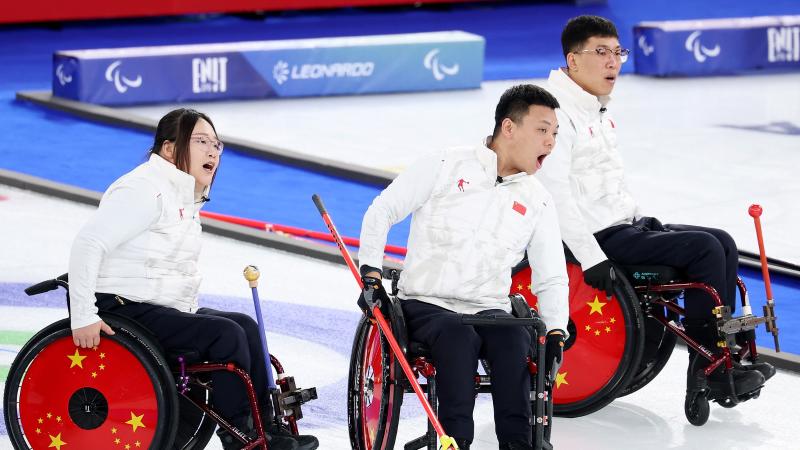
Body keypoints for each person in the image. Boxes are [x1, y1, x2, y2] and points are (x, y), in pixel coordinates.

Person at [535, 15, 774, 397]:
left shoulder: (595, 108)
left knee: (723, 241)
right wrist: (591, 257)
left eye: (618, 52)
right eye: (601, 52)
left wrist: (642, 222)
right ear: (573, 60)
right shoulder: (553, 114)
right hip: (595, 237)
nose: (613, 62)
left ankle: (724, 352)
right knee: (704, 249)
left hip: (624, 225)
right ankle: (710, 366)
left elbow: (607, 185)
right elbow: (555, 196)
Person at [68, 108, 319, 450]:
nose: (212, 151)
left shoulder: (184, 195)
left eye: (216, 144)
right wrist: (83, 315)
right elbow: (88, 243)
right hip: (123, 306)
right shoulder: (144, 189)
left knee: (244, 325)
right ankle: (241, 437)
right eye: (201, 141)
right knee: (225, 334)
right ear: (170, 149)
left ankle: (269, 430)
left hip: (158, 306)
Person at [358, 84, 570, 450]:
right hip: (427, 303)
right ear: (509, 128)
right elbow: (383, 210)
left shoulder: (538, 200)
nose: (550, 142)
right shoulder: (445, 164)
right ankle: (456, 442)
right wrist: (371, 273)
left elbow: (551, 275)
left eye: (555, 133)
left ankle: (518, 444)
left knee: (515, 339)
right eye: (542, 130)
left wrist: (555, 331)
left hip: (490, 308)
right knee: (458, 336)